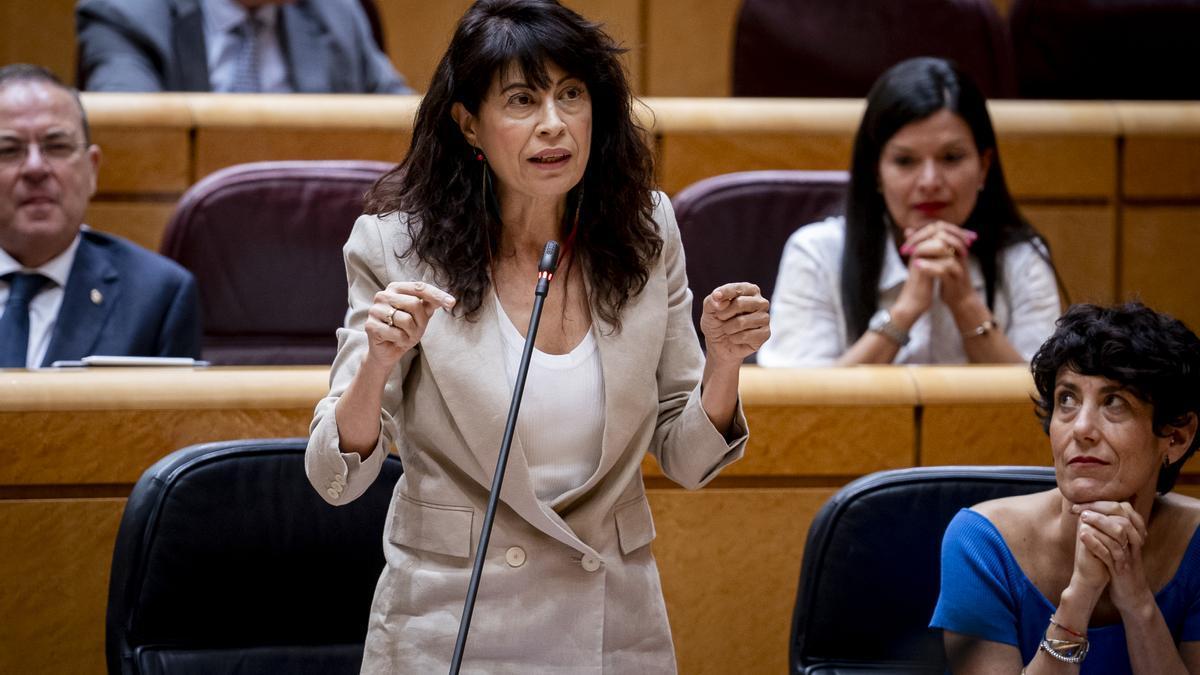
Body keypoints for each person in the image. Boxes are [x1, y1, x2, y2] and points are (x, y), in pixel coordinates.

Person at [304, 1, 769, 672]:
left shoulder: (646, 232)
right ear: (470, 123)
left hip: (612, 627)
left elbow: (688, 459)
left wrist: (724, 364)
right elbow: (335, 479)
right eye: (522, 100)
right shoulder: (397, 249)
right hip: (450, 627)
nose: (554, 124)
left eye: (572, 94)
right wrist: (376, 365)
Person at [931, 302, 1200, 673]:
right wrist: (1080, 597)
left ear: (1176, 436)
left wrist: (1137, 605)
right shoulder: (981, 544)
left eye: (1115, 402)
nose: (1081, 428)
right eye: (1067, 400)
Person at [758, 57, 1061, 367]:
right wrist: (904, 313)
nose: (930, 182)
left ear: (983, 166)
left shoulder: (1024, 260)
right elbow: (797, 409)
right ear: (876, 171)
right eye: (905, 161)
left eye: (951, 158)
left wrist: (967, 306)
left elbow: (1046, 405)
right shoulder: (816, 254)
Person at [0, 64, 200, 367]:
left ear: (91, 169)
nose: (35, 168)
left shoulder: (156, 295)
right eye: (8, 150)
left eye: (57, 146)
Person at [76, 0, 413, 94]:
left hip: (319, 230)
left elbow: (402, 121)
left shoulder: (334, 10)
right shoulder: (126, 12)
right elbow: (135, 143)